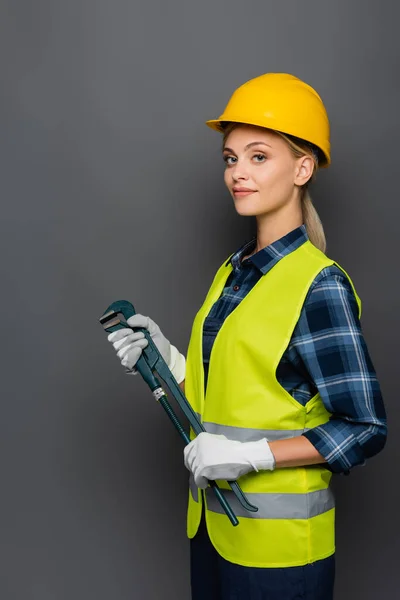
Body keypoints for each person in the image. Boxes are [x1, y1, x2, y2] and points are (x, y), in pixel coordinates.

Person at [107, 73, 387, 600]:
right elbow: (232, 395)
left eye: (259, 157)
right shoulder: (232, 272)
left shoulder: (318, 285)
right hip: (213, 535)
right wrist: (166, 359)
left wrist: (254, 457)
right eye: (231, 158)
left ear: (303, 168)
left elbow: (365, 427)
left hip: (280, 556)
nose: (238, 173)